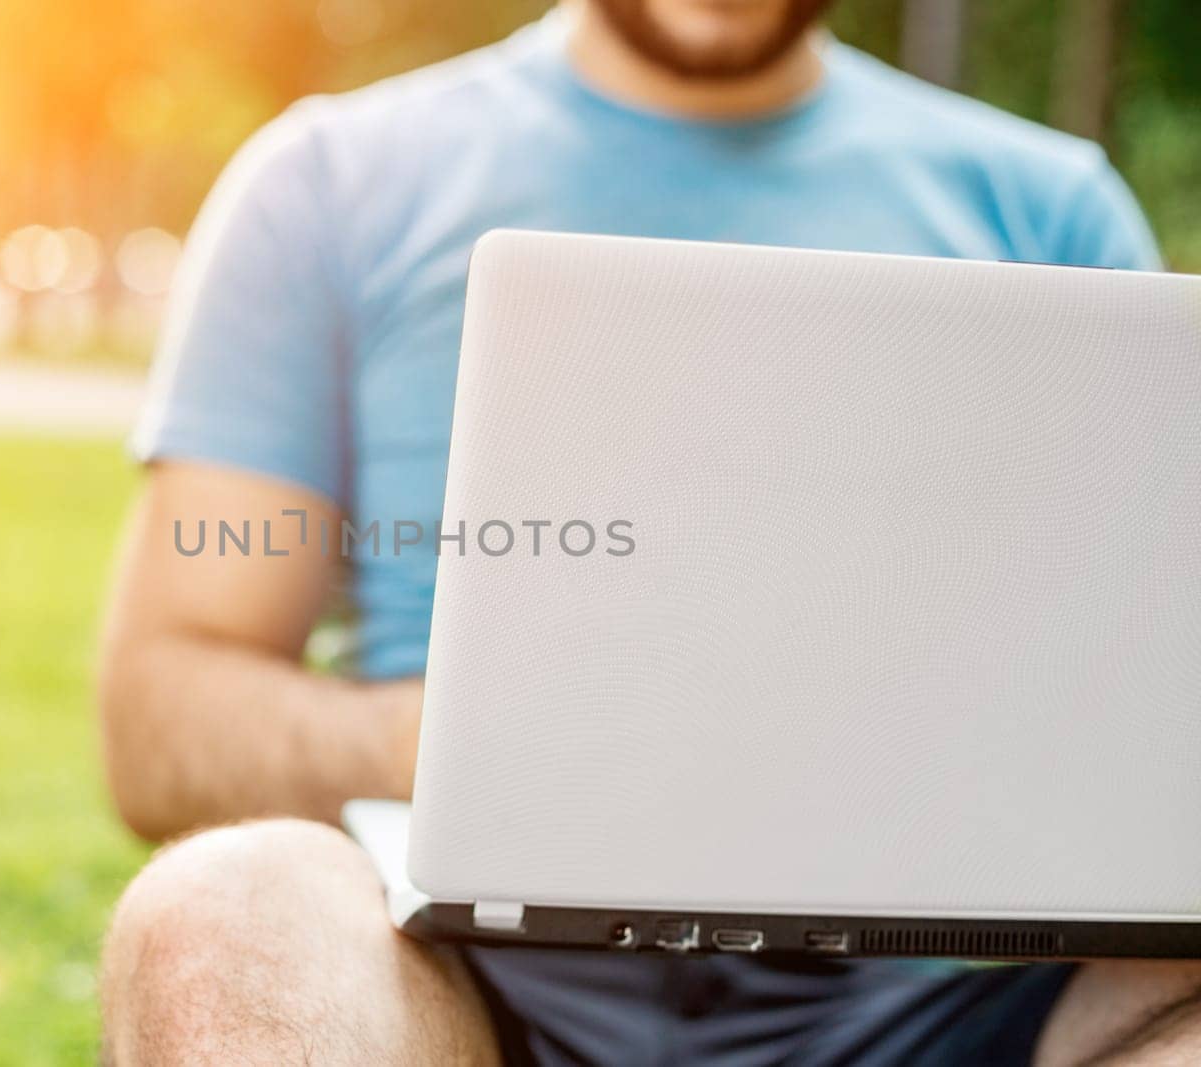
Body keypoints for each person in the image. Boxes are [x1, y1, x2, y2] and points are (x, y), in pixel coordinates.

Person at [96, 0, 1201, 1062]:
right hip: (444, 994)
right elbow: (162, 708)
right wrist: (470, 746)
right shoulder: (328, 185)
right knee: (226, 906)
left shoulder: (1049, 210)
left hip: (930, 1006)